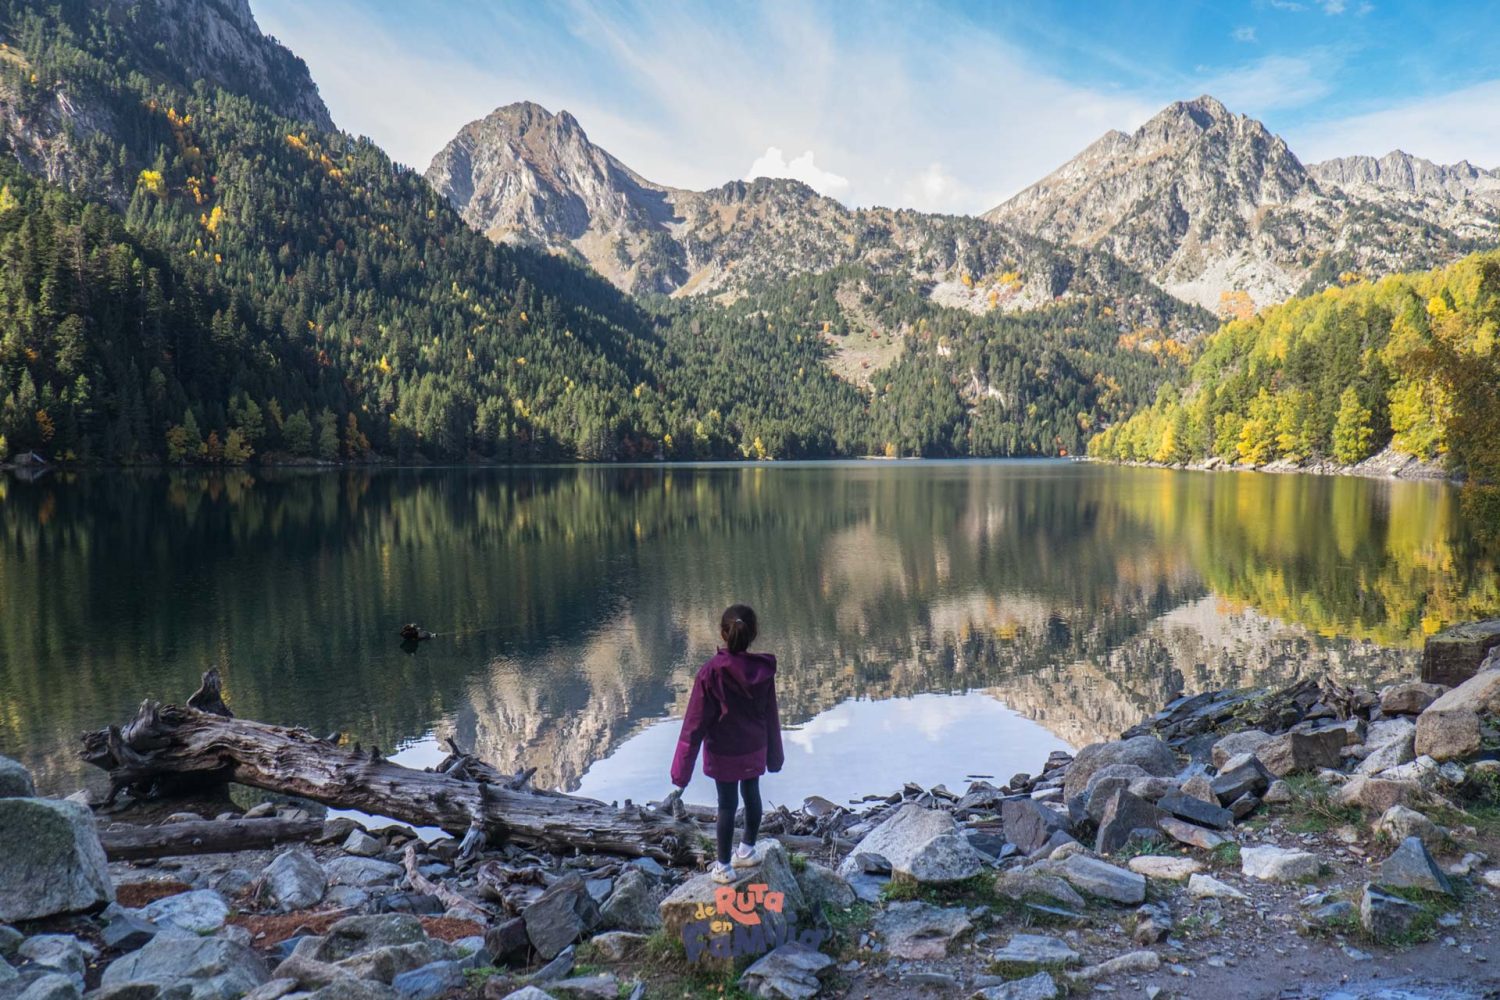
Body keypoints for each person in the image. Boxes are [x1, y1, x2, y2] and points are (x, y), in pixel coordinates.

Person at [670, 603, 784, 883]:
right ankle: (746, 850)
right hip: (754, 747)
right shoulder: (763, 671)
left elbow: (693, 726)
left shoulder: (710, 673)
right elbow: (771, 715)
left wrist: (680, 772)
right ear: (753, 634)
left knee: (726, 805)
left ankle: (723, 867)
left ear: (723, 633)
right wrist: (775, 757)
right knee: (752, 794)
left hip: (723, 751)